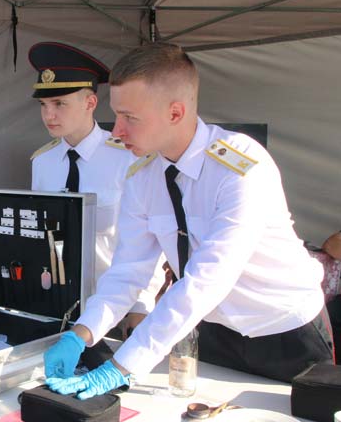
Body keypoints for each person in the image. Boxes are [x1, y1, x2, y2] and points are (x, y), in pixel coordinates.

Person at [44, 42, 333, 399]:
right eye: (117, 114)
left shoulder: (240, 168)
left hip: (285, 331)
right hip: (210, 329)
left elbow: (207, 279)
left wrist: (122, 367)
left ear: (176, 113)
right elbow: (129, 270)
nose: (116, 131)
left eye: (130, 118)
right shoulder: (141, 176)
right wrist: (82, 332)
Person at [28, 41, 163, 339]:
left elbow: (151, 239)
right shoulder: (43, 162)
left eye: (60, 104)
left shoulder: (129, 158)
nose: (49, 115)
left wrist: (141, 305)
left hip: (116, 309)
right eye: (44, 105)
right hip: (57, 304)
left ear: (90, 103)